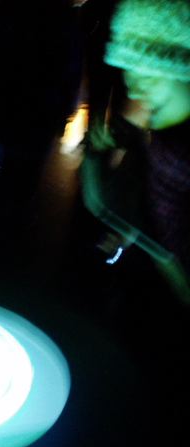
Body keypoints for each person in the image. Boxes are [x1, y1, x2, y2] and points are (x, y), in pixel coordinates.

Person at [82, 0, 190, 307]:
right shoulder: (163, 136)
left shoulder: (175, 153)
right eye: (129, 77)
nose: (133, 91)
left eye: (149, 78)